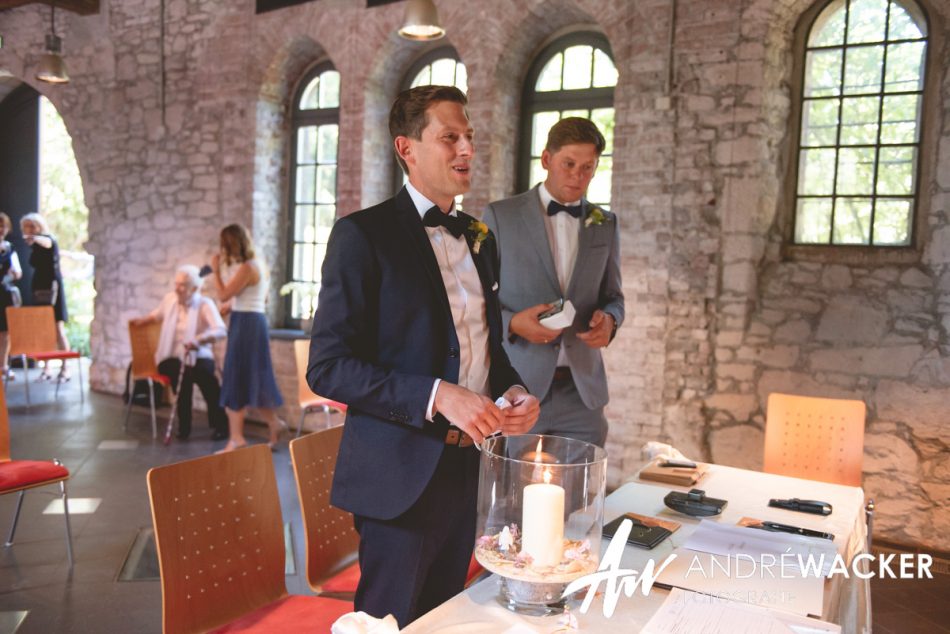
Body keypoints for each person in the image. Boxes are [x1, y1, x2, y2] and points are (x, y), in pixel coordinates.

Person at [308, 85, 540, 627]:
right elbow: (328, 366)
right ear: (406, 148)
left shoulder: (479, 239)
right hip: (399, 477)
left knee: (444, 619)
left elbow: (486, 349)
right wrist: (437, 395)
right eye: (449, 137)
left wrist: (513, 391)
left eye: (470, 138)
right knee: (393, 623)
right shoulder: (362, 235)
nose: (466, 150)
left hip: (466, 471)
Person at [484, 117, 624, 448]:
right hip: (517, 388)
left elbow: (614, 296)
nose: (578, 176)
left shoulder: (605, 223)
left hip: (583, 393)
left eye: (588, 167)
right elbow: (475, 298)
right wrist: (514, 323)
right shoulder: (500, 216)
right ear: (547, 159)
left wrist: (611, 321)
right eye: (569, 164)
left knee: (582, 496)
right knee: (509, 494)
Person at [130, 265, 228, 440]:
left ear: (195, 288)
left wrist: (199, 339)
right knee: (180, 374)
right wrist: (142, 321)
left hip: (198, 354)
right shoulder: (170, 300)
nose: (177, 288)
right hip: (171, 356)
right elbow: (157, 315)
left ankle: (220, 425)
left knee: (208, 380)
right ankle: (184, 426)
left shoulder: (204, 304)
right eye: (176, 283)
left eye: (183, 285)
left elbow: (220, 330)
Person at [210, 223, 285, 452]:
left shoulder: (247, 267)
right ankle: (273, 423)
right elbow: (259, 301)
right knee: (254, 377)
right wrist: (234, 307)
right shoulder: (258, 264)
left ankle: (236, 438)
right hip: (252, 321)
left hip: (246, 326)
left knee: (236, 375)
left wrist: (215, 270)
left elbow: (222, 294)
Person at [20, 212, 72, 382]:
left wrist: (34, 237)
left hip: (52, 288)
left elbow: (47, 243)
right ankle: (47, 368)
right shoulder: (34, 245)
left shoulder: (47, 239)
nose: (29, 230)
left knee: (58, 328)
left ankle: (66, 368)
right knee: (43, 329)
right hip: (39, 287)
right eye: (26, 227)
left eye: (32, 226)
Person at [0, 212, 23, 380]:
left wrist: (14, 274)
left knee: (6, 332)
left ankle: (3, 366)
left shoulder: (10, 248)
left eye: (4, 226)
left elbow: (18, 272)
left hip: (5, 294)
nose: (1, 229)